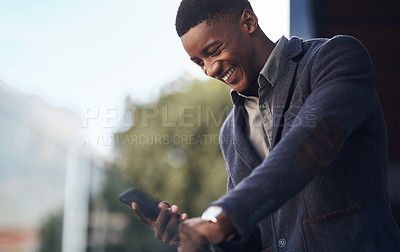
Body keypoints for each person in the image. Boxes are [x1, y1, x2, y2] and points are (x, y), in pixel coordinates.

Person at [132, 0, 400, 251]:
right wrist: (195, 238)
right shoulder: (230, 131)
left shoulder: (335, 58)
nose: (210, 70)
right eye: (199, 62)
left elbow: (313, 143)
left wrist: (218, 218)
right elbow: (254, 238)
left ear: (248, 22)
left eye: (213, 51)